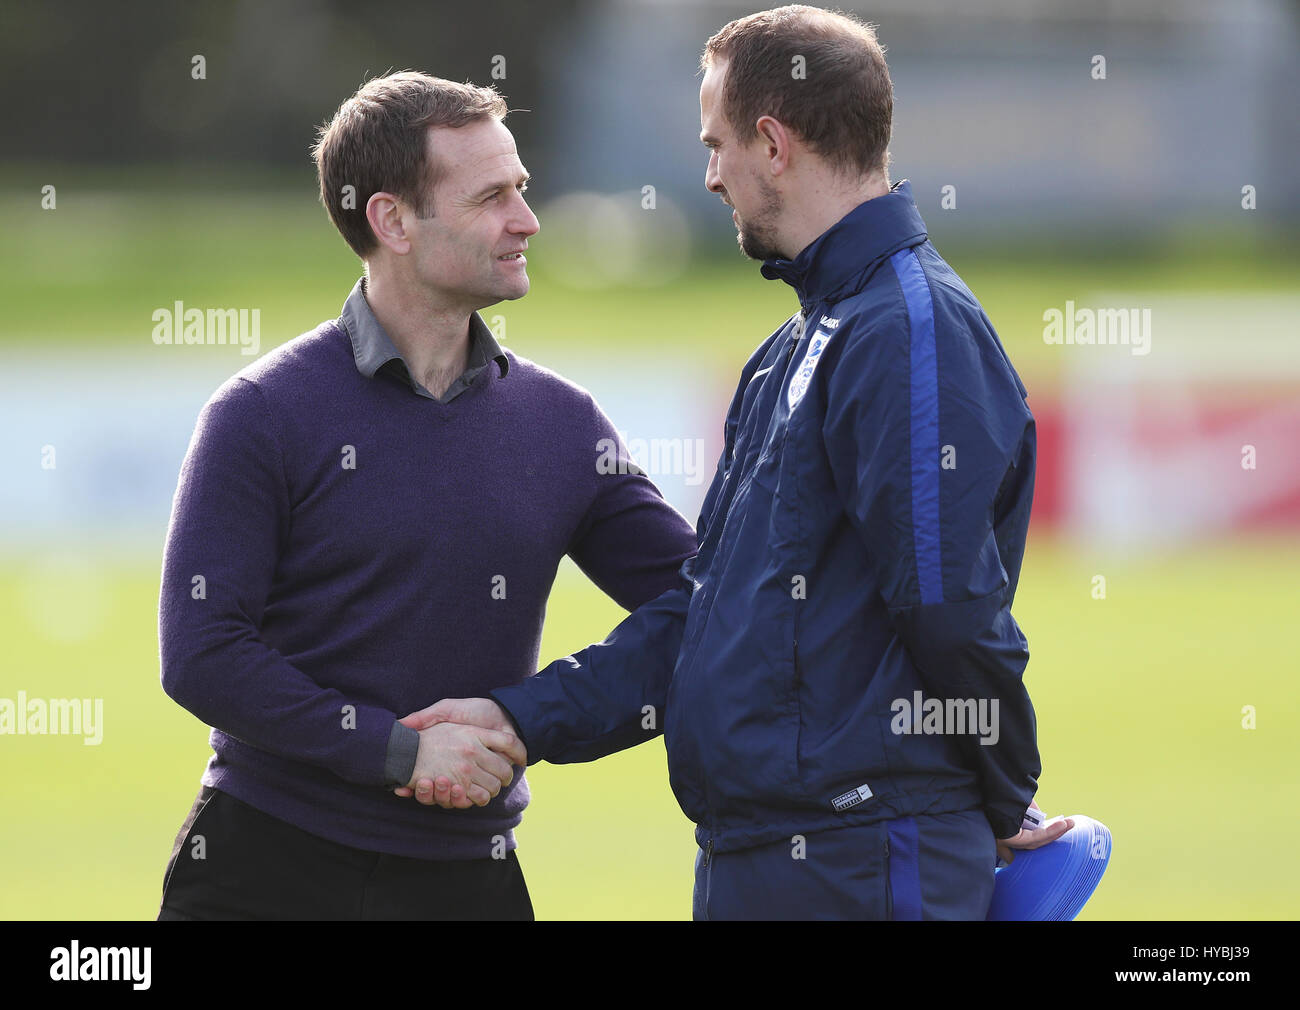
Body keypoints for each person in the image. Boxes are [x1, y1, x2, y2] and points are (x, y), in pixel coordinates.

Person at [397, 6, 1072, 920]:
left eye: (717, 144)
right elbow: (702, 615)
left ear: (772, 142)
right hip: (771, 856)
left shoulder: (911, 331)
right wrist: (524, 718)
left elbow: (950, 607)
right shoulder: (792, 348)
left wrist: (1002, 791)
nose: (710, 175)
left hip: (864, 858)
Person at [154, 71, 698, 921]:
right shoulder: (261, 412)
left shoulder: (561, 424)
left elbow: (707, 606)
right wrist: (395, 752)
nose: (527, 219)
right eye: (491, 197)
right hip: (261, 870)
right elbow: (201, 653)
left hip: (468, 880)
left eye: (521, 188)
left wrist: (530, 717)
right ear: (393, 220)